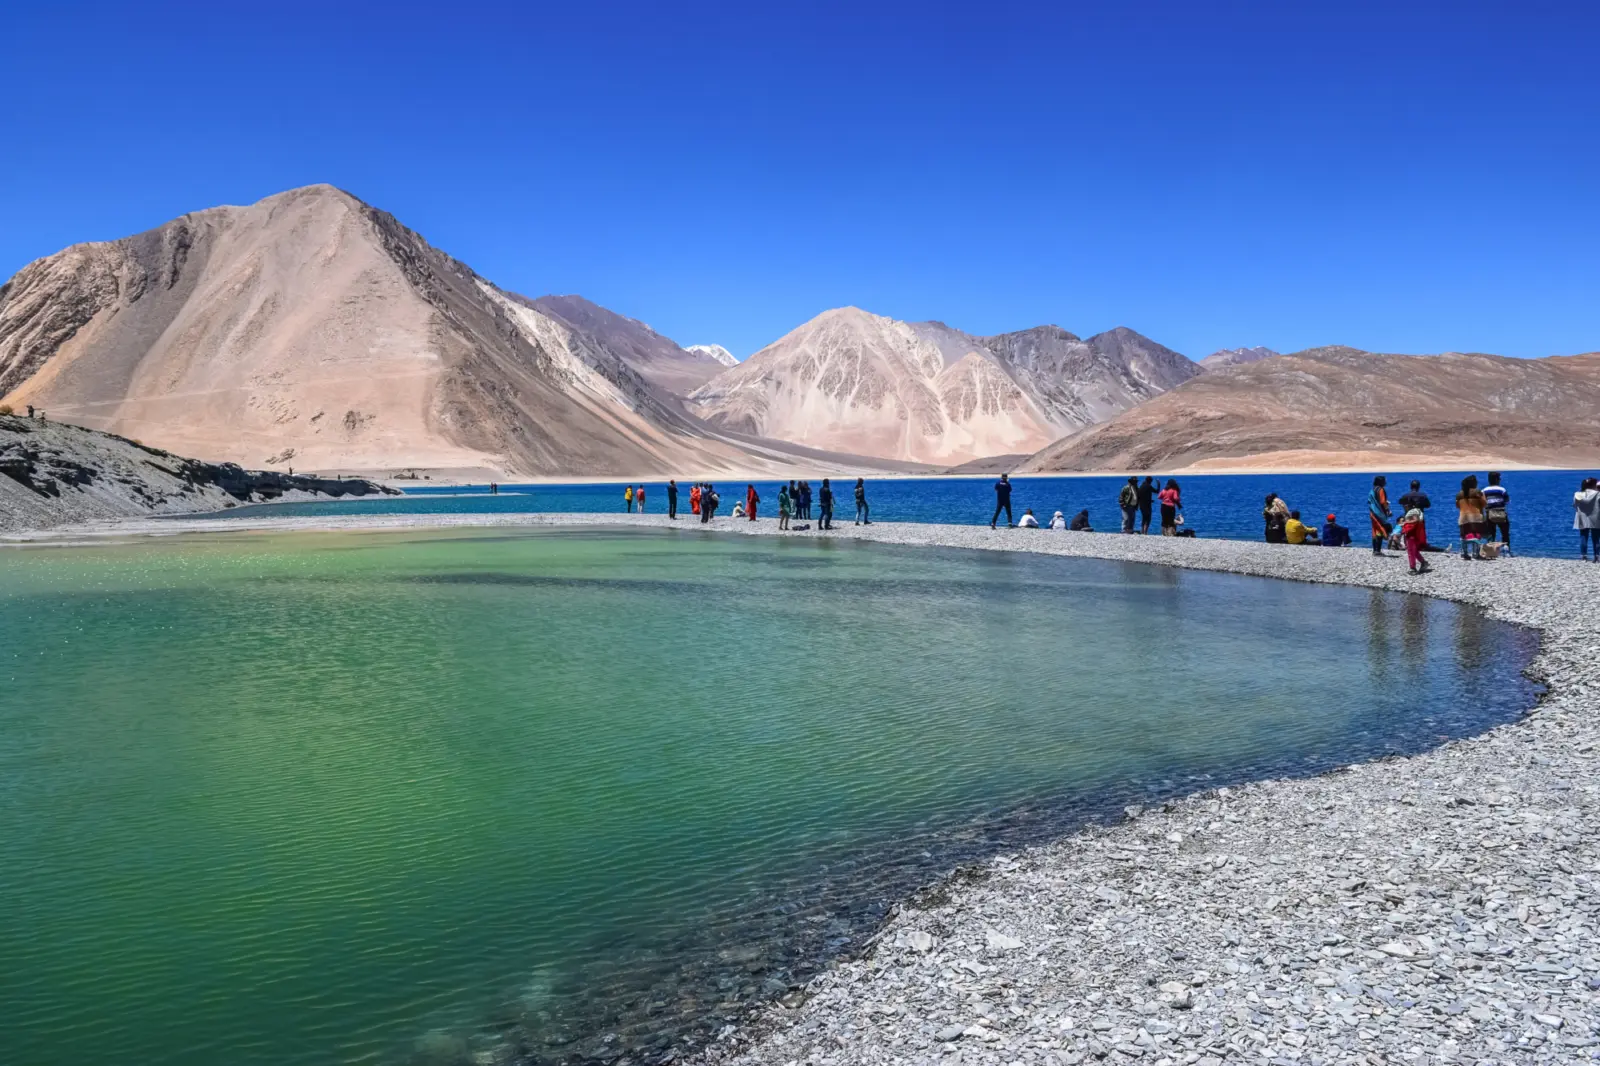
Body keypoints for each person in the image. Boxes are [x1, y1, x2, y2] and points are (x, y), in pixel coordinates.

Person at [1455, 475, 1486, 560]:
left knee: (1464, 535)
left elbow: (1457, 505)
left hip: (1463, 517)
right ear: (1474, 483)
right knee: (1476, 535)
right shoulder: (1478, 492)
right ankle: (1476, 553)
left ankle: (1464, 553)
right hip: (1476, 517)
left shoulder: (1459, 494)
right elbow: (1484, 503)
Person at [1482, 472, 1511, 554]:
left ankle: (1491, 552)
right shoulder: (1502, 489)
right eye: (1499, 478)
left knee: (1491, 534)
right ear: (1496, 479)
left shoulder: (1484, 490)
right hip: (1501, 513)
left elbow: (1483, 502)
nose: (1500, 480)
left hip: (1489, 514)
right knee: (1505, 534)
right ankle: (1507, 551)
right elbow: (1507, 501)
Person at [1574, 477, 1600, 561]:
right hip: (1596, 517)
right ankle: (1597, 555)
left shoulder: (1577, 494)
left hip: (1582, 517)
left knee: (1583, 537)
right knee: (1596, 538)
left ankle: (1583, 556)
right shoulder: (1598, 494)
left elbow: (1575, 505)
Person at [1401, 507, 1431, 574]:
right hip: (1414, 534)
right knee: (1414, 551)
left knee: (1411, 552)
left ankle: (1413, 567)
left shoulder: (1413, 511)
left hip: (1412, 534)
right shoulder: (1417, 511)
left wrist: (1406, 522)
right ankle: (1423, 562)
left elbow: (1416, 520)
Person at [1368, 476, 1393, 556]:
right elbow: (1383, 502)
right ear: (1381, 482)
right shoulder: (1381, 489)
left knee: (1375, 531)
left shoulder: (1373, 489)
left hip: (1372, 512)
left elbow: (1371, 501)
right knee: (1381, 530)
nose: (1385, 482)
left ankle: (1375, 550)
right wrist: (1388, 510)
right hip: (1379, 513)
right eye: (1384, 481)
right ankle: (1377, 550)